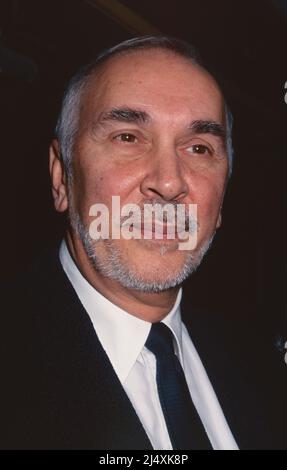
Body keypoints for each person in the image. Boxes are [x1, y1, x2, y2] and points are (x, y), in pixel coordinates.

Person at [0, 36, 279, 450]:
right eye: (128, 137)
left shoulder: (262, 369)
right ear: (62, 177)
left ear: (221, 201)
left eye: (199, 147)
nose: (169, 183)